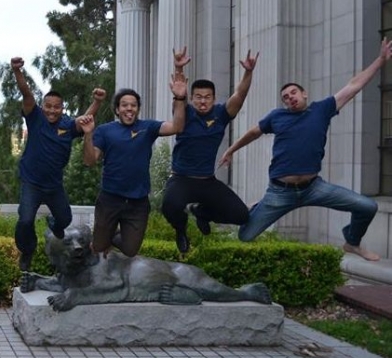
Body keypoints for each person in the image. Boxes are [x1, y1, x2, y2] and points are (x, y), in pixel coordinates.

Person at [220, 37, 392, 262]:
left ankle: (352, 242)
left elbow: (354, 86)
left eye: (293, 93)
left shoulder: (322, 110)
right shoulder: (276, 116)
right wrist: (231, 149)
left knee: (367, 206)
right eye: (285, 97)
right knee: (245, 236)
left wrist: (380, 60)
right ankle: (259, 206)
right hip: (280, 192)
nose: (289, 98)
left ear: (304, 94)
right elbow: (253, 133)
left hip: (314, 188)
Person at [10, 56, 106, 271]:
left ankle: (53, 225)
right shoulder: (35, 117)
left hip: (54, 185)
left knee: (65, 219)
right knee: (25, 221)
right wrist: (17, 71)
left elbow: (86, 121)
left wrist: (97, 102)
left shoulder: (67, 124)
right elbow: (26, 93)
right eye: (48, 106)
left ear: (62, 108)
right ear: (43, 106)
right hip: (32, 183)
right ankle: (27, 251)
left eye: (57, 107)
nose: (52, 111)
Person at [81, 69, 189, 257]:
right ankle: (104, 238)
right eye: (124, 105)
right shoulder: (105, 131)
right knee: (98, 247)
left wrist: (179, 98)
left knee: (130, 250)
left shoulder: (148, 127)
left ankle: (111, 237)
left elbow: (177, 126)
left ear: (138, 109)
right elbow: (90, 161)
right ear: (117, 109)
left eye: (133, 105)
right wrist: (88, 135)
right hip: (110, 199)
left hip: (137, 202)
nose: (129, 109)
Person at [161, 48, 259, 253]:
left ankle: (200, 212)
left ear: (214, 99)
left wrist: (248, 72)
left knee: (241, 215)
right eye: (198, 97)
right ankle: (181, 230)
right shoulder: (185, 112)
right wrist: (178, 67)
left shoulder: (221, 114)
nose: (202, 101)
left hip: (207, 181)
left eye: (207, 97)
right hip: (182, 179)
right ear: (192, 98)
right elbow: (179, 93)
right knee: (169, 207)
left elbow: (240, 94)